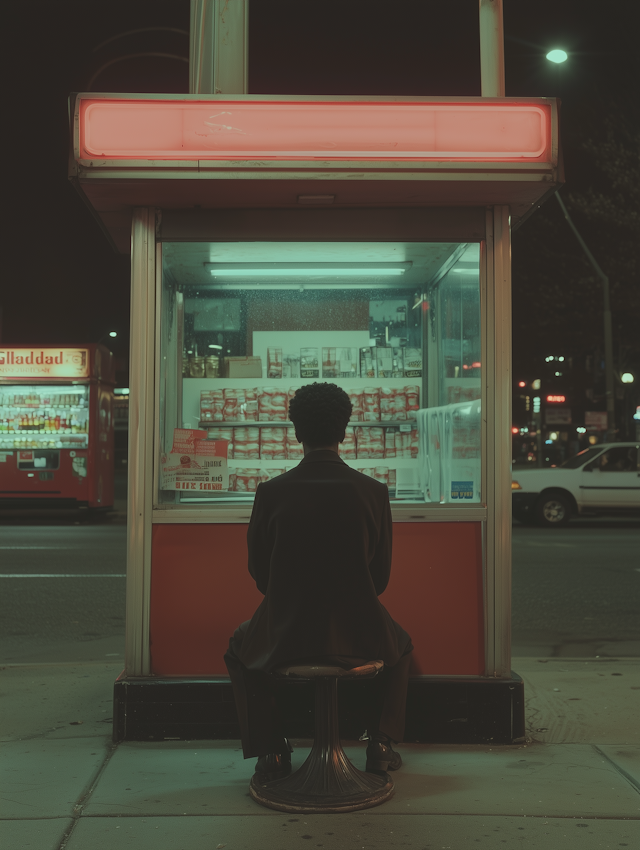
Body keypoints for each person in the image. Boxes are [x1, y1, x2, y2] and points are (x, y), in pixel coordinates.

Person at [224, 382, 413, 782]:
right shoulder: (373, 492)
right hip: (359, 634)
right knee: (401, 642)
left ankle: (272, 751)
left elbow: (260, 575)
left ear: (296, 432)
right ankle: (380, 745)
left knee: (239, 644)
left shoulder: (270, 492)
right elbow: (379, 579)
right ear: (344, 431)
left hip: (284, 634)